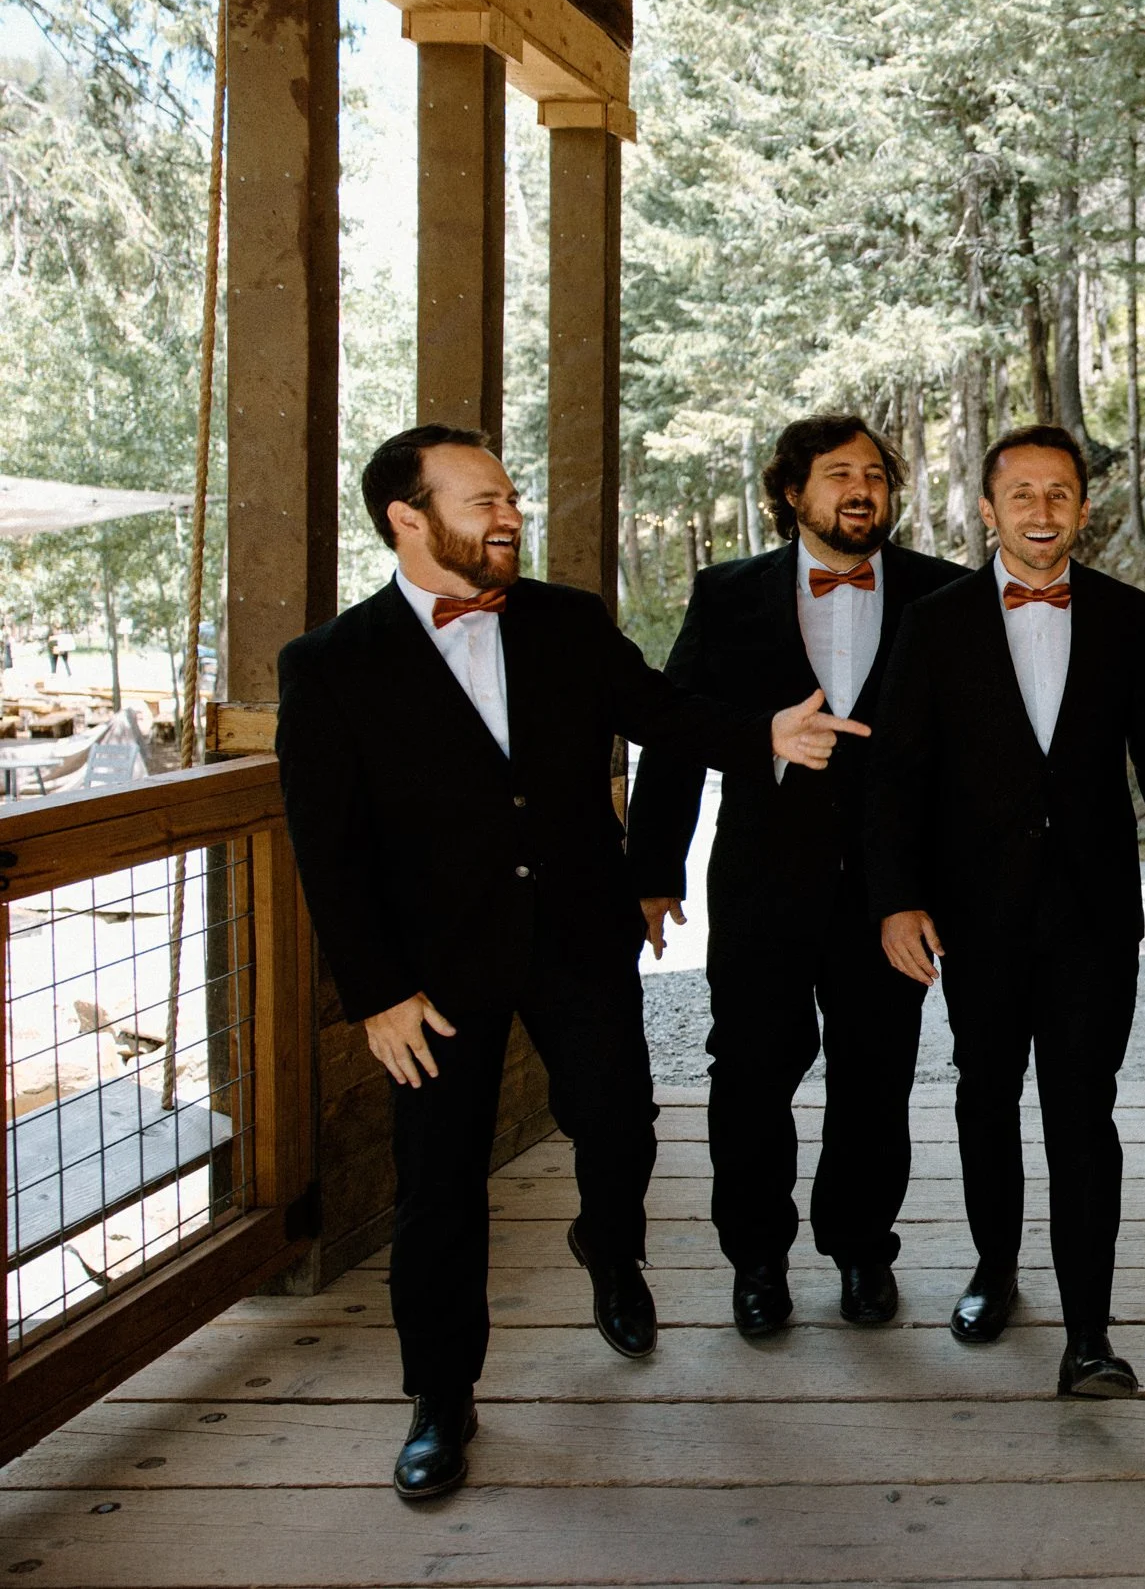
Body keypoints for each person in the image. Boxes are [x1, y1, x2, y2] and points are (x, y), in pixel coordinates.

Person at [275, 425, 856, 1500]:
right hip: (433, 973)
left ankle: (612, 1245)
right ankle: (440, 1397)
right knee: (437, 1183)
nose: (509, 513)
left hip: (580, 935)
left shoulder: (568, 620)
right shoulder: (327, 666)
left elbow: (666, 714)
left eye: (510, 496)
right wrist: (377, 995)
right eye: (482, 498)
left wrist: (766, 735)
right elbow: (330, 849)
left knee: (619, 1119)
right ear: (407, 517)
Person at [867, 423, 1145, 1400]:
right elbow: (896, 776)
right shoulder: (934, 619)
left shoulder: (1126, 614)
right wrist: (895, 899)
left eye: (1060, 494)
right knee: (984, 1087)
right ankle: (994, 1266)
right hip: (977, 911)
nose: (1042, 511)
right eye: (1022, 494)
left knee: (1082, 1107)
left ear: (1082, 507)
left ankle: (1089, 1329)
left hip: (1095, 909)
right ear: (987, 508)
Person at [626, 415, 969, 1335]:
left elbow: (976, 758)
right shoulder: (728, 592)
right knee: (748, 1071)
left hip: (892, 896)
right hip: (762, 883)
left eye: (875, 474)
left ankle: (863, 1248)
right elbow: (675, 728)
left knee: (876, 1074)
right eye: (837, 474)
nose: (861, 489)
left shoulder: (946, 596)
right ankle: (757, 1259)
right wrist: (654, 869)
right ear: (792, 493)